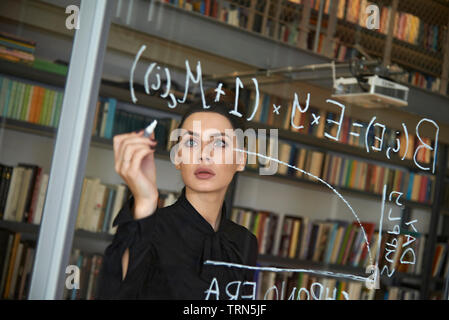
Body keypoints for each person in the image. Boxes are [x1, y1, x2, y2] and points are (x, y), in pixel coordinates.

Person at [96, 89, 259, 299]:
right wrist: (146, 201)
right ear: (177, 157)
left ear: (240, 160)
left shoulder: (245, 241)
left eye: (219, 143)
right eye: (191, 142)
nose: (204, 155)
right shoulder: (148, 227)